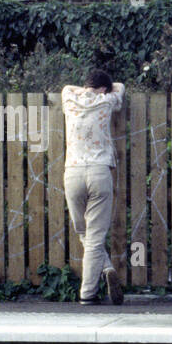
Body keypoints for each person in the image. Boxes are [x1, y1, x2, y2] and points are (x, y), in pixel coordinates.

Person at [62, 68, 126, 305]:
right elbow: (120, 85)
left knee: (83, 232)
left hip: (73, 172)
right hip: (99, 171)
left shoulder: (69, 98)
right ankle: (88, 293)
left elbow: (69, 87)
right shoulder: (107, 101)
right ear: (104, 89)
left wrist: (87, 90)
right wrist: (103, 91)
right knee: (96, 236)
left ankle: (107, 268)